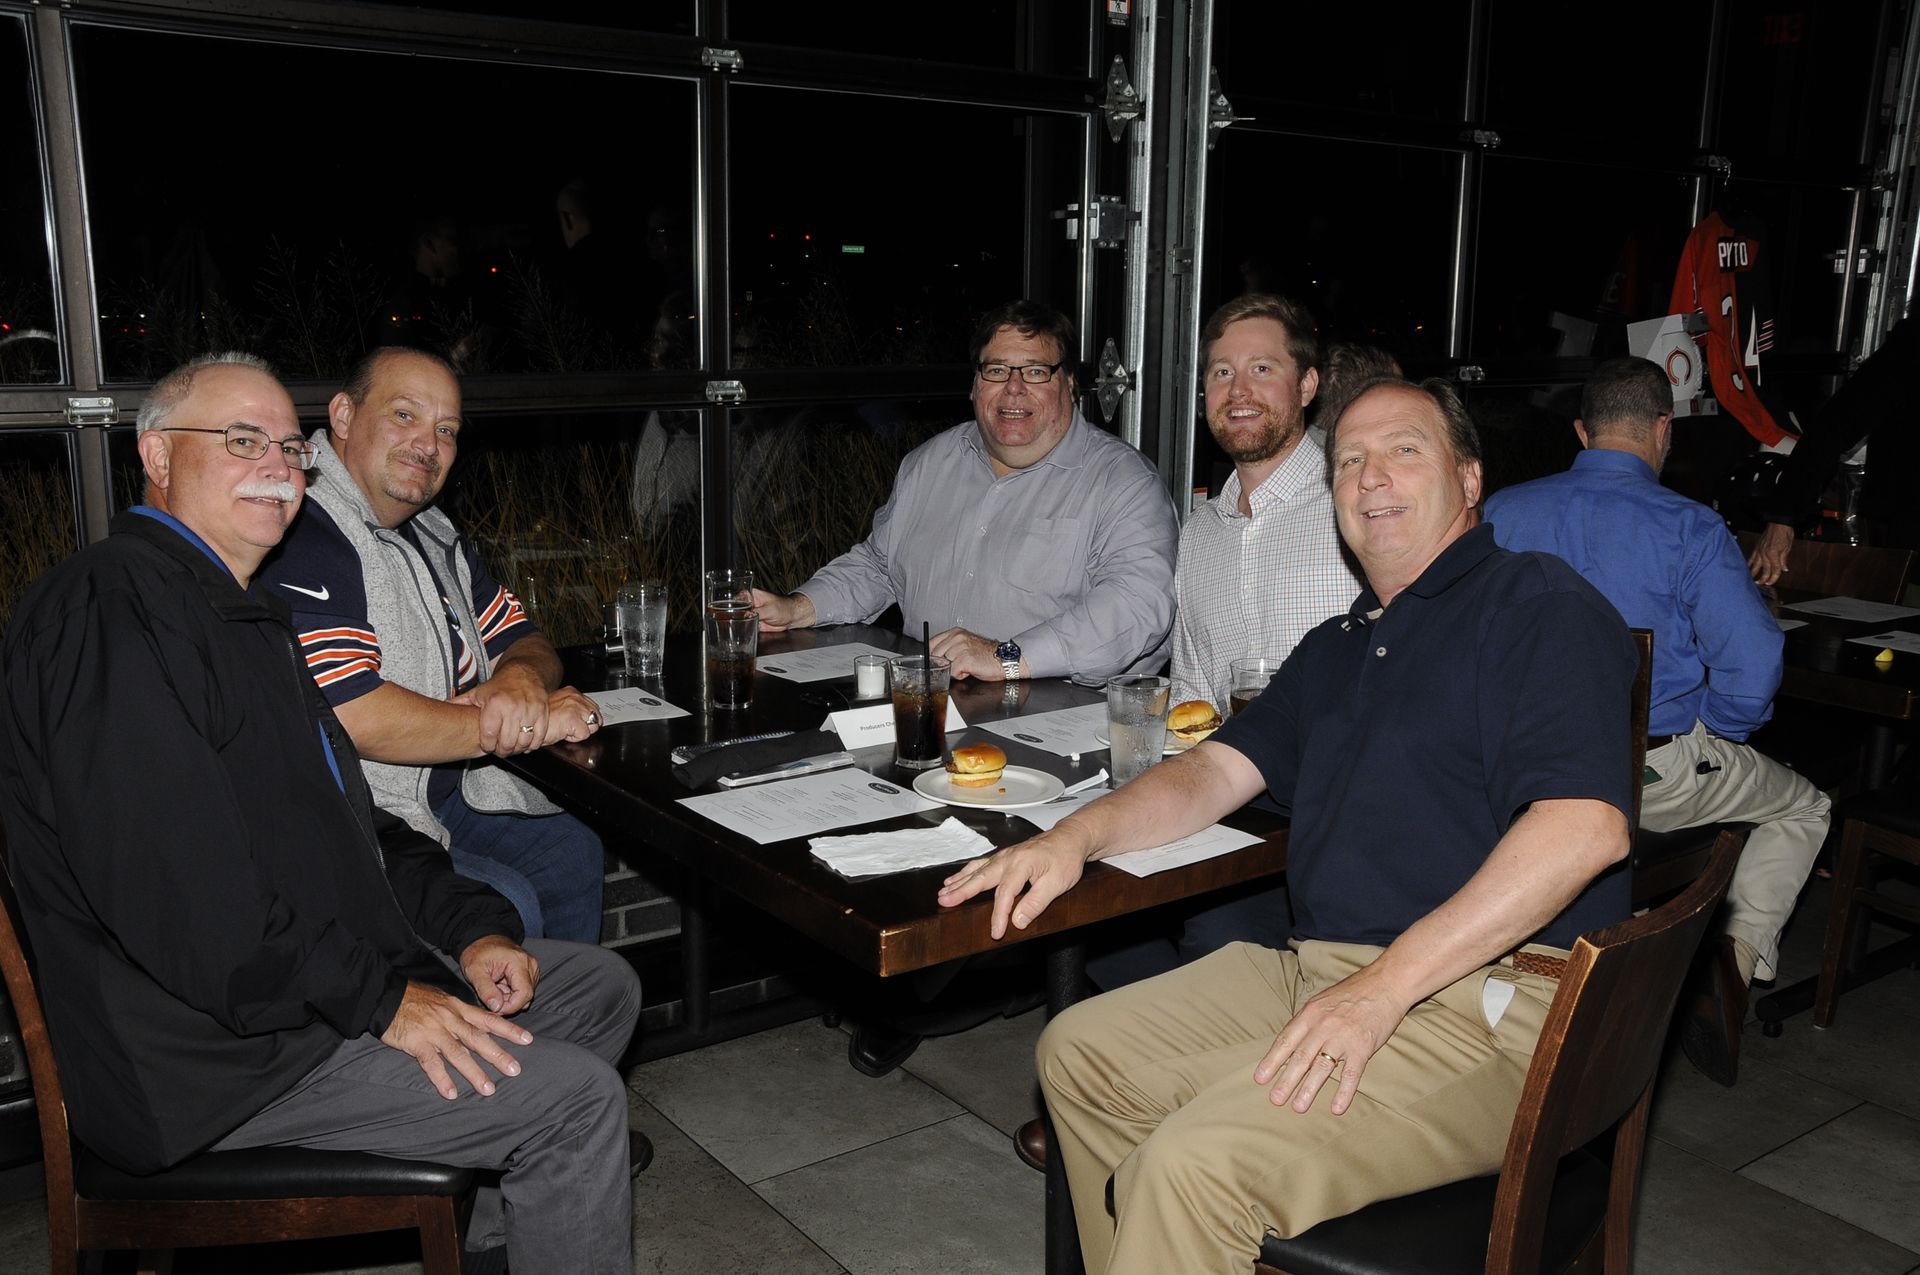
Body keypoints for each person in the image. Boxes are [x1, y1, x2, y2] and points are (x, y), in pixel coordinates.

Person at [937, 376, 1637, 1275]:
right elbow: (1206, 774)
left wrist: (1382, 990)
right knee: (1076, 1051)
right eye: (1349, 459)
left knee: (1191, 1170)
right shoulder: (1340, 644)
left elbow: (1586, 828)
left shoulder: (1534, 601)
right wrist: (1073, 837)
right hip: (1323, 968)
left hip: (1494, 1007)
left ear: (1470, 480)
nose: (1371, 476)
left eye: (1404, 450)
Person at [0, 353, 641, 1275]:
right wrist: (383, 1001)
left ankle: (507, 1244)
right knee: (577, 1099)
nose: (276, 464)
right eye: (238, 439)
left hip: (291, 1000)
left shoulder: (240, 616)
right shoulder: (111, 613)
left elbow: (352, 832)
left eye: (286, 446)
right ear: (156, 456)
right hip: (214, 1058)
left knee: (594, 988)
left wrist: (470, 932)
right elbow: (186, 905)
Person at [1485, 355, 1831, 1086]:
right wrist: (1717, 730)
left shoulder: (1501, 512)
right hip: (1646, 772)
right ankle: (1729, 966)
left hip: (1513, 770)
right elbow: (1754, 663)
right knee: (1807, 806)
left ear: (1582, 430)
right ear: (1664, 431)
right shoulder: (1691, 527)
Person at [259, 347, 608, 943]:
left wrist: (521, 681)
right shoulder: (304, 530)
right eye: (404, 415)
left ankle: (564, 1025)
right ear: (343, 416)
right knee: (507, 901)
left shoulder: (432, 531)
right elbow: (356, 715)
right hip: (360, 816)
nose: (429, 444)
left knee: (570, 851)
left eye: (446, 430)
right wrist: (528, 725)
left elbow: (525, 640)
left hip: (455, 789)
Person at [1092, 294, 1358, 989]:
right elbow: (1195, 697)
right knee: (1091, 912)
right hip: (1231, 799)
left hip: (1337, 809)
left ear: (1306, 385)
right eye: (1218, 374)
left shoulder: (1356, 498)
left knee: (1215, 937)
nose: (1236, 392)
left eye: (1261, 368)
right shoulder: (1202, 530)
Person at [750, 299, 1179, 684]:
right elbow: (880, 566)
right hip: (928, 703)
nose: (1014, 388)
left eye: (1034, 371)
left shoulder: (1123, 482)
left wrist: (1006, 657)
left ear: (1069, 385)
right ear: (975, 385)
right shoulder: (929, 464)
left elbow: (1137, 606)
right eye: (996, 370)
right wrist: (798, 607)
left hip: (1059, 717)